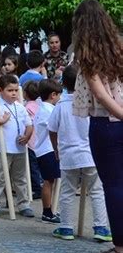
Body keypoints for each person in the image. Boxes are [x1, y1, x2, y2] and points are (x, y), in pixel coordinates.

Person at [72, 0, 123, 253]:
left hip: (106, 126)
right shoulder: (119, 47)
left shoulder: (87, 54)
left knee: (114, 187)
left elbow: (101, 96)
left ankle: (121, 249)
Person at [48, 65, 111, 242]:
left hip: (68, 153)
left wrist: (56, 149)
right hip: (91, 154)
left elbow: (51, 129)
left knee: (67, 191)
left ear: (63, 84)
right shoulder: (91, 103)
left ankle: (66, 227)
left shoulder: (60, 106)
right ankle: (101, 227)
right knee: (97, 191)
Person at [0, 74, 34, 219]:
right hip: (1, 148)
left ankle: (23, 204)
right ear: (0, 90)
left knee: (20, 178)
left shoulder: (20, 106)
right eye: (9, 90)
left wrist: (27, 136)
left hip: (19, 148)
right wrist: (0, 121)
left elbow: (29, 124)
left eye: (15, 90)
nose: (13, 93)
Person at [33, 79, 62, 223]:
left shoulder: (42, 108)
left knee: (51, 180)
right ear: (53, 95)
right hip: (47, 149)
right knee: (48, 181)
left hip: (45, 149)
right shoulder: (48, 110)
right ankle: (47, 211)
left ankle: (50, 209)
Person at [22, 80, 43, 199]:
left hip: (30, 141)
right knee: (37, 166)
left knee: (32, 167)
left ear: (25, 93)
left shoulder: (27, 108)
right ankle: (38, 184)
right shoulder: (39, 106)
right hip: (39, 140)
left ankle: (36, 188)